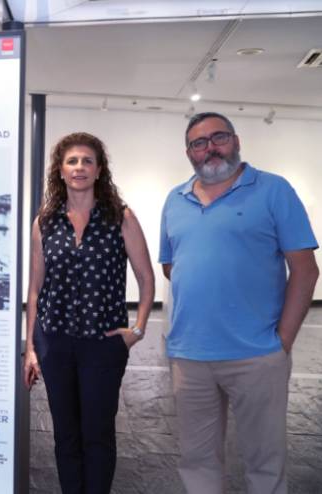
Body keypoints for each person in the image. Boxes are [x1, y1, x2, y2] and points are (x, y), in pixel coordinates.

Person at [159, 112, 319, 494]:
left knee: (265, 464)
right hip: (189, 355)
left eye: (219, 137)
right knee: (196, 462)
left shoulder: (274, 190)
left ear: (236, 140)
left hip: (257, 354)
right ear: (189, 152)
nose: (210, 148)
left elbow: (305, 270)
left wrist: (282, 342)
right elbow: (171, 264)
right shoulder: (175, 199)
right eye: (199, 143)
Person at [23, 132, 155, 494]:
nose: (79, 167)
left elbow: (146, 278)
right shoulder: (45, 221)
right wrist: (32, 348)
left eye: (87, 161)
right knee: (65, 435)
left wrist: (138, 329)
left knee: (97, 434)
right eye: (72, 161)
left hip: (103, 344)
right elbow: (35, 288)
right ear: (60, 170)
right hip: (55, 343)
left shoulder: (120, 217)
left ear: (99, 170)